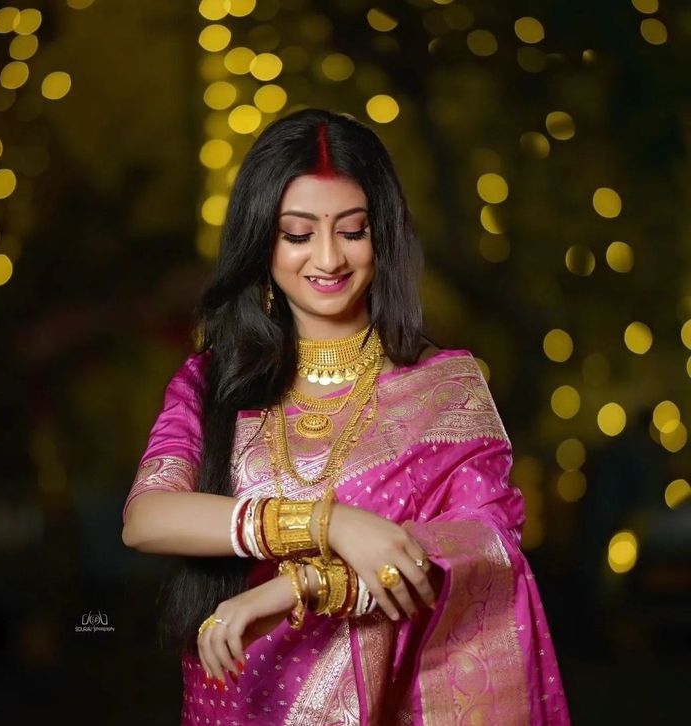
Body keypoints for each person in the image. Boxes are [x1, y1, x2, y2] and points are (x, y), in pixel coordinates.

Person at [121, 108, 571, 725]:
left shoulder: (443, 388)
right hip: (230, 698)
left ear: (380, 235)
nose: (328, 258)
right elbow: (147, 517)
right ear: (262, 242)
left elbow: (486, 547)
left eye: (352, 231)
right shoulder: (213, 381)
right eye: (298, 234)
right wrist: (326, 525)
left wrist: (301, 585)